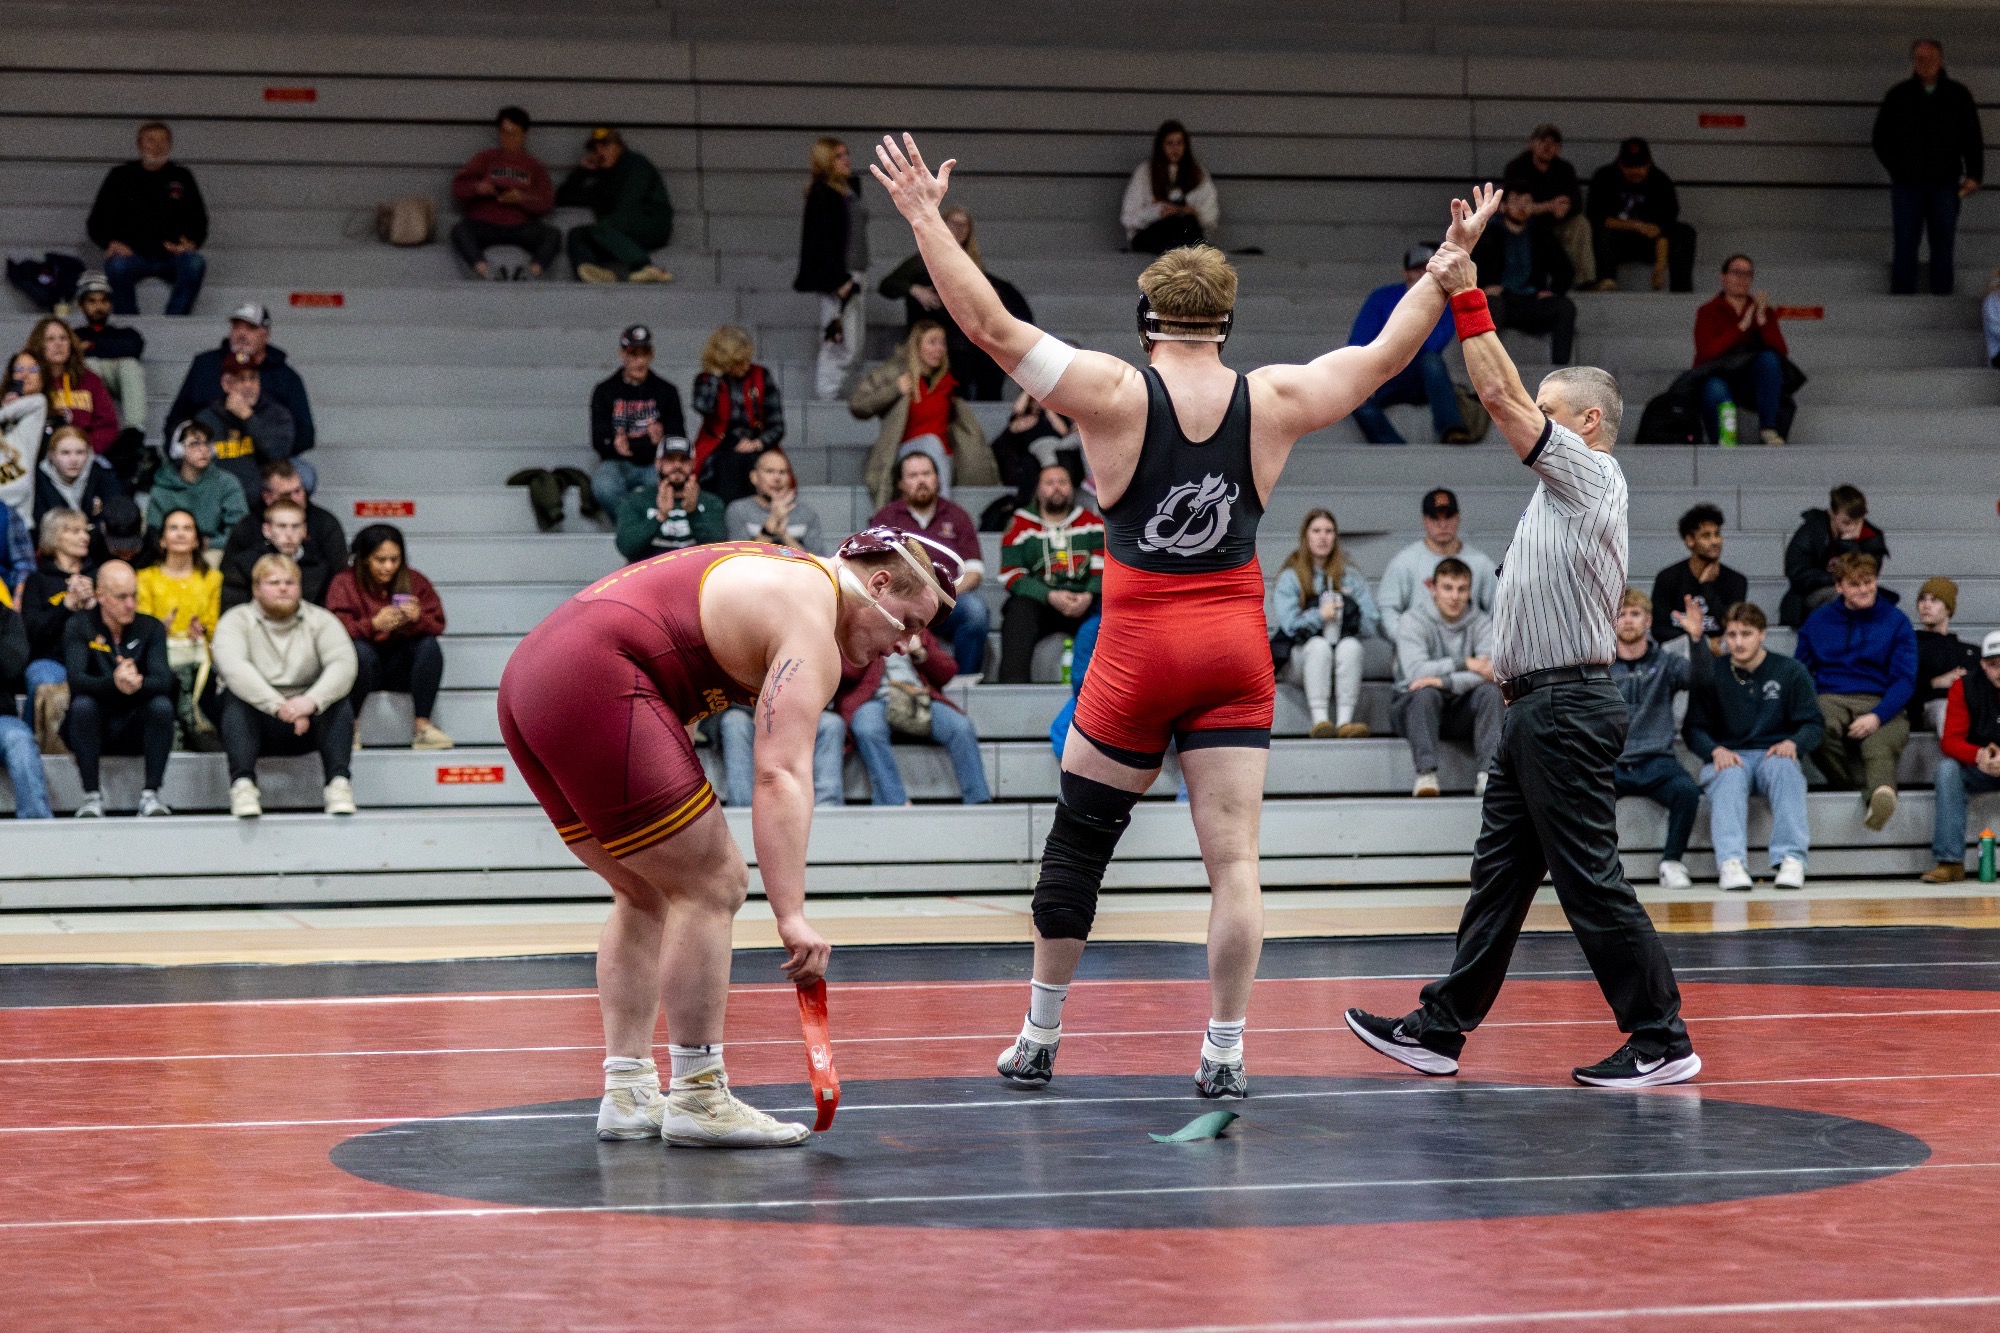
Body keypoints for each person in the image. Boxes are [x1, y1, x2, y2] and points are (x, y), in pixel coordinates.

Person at [870, 132, 1495, 1098]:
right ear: (1227, 321)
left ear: (1146, 317)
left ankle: (1040, 1034)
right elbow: (1376, 363)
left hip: (1137, 644)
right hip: (1233, 645)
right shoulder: (1274, 397)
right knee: (1233, 863)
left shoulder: (1114, 392)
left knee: (1081, 839)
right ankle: (1226, 1048)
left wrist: (921, 219)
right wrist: (1446, 273)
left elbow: (990, 328)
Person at [1345, 220, 1701, 1089]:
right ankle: (1439, 1028)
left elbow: (1501, 397)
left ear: (1587, 422)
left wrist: (1466, 288)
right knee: (1500, 877)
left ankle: (1661, 1036)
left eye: (1550, 413)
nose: (1528, 425)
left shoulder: (1591, 475)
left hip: (1567, 705)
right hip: (1534, 707)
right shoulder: (1557, 494)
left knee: (1588, 879)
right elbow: (1509, 400)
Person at [497, 529, 962, 1146]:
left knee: (648, 892)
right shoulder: (813, 619)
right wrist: (791, 915)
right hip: (592, 675)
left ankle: (629, 1089)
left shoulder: (789, 573)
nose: (905, 645)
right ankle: (698, 1093)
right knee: (714, 883)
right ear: (877, 583)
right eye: (908, 622)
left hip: (534, 675)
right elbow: (780, 773)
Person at [1685, 602, 1822, 892]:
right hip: (1729, 754)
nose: (1737, 642)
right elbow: (1693, 728)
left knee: (1785, 768)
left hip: (1773, 752)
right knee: (1730, 774)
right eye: (1731, 635)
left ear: (1762, 634)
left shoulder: (1790, 671)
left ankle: (1791, 859)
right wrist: (1714, 751)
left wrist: (1793, 742)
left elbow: (1813, 723)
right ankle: (1731, 863)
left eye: (1745, 634)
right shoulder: (1712, 671)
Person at [212, 553, 359, 819]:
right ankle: (243, 786)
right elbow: (234, 669)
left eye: (290, 582)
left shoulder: (322, 620)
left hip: (308, 720)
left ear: (300, 587)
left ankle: (338, 784)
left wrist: (310, 702)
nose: (283, 588)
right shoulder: (235, 620)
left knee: (338, 699)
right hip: (260, 718)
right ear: (256, 588)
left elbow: (344, 664)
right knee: (234, 697)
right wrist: (279, 706)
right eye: (274, 582)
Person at [1795, 552, 1918, 832]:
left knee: (1877, 744)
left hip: (1881, 699)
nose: (1864, 590)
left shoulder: (1896, 622)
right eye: (1855, 584)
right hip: (1831, 696)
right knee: (1815, 725)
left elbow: (1904, 680)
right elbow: (1800, 672)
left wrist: (1877, 716)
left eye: (1869, 581)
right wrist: (1811, 700)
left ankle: (1881, 794)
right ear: (1839, 587)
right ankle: (1870, 790)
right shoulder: (1818, 622)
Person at [878, 206, 1033, 400]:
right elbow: (887, 285)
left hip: (966, 334)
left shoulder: (971, 261)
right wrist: (914, 290)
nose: (958, 229)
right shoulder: (924, 258)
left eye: (964, 224)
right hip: (940, 331)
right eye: (953, 223)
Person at [62, 559, 174, 818]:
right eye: (121, 597)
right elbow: (76, 680)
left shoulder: (151, 627)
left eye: (134, 595)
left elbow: (164, 680)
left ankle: (151, 795)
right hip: (95, 724)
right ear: (100, 596)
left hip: (136, 724)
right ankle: (91, 797)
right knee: (82, 706)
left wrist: (137, 683)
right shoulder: (79, 625)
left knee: (161, 706)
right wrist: (114, 683)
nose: (130, 605)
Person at [1611, 589, 1707, 890]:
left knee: (1686, 791)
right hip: (1610, 761)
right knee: (1580, 796)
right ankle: (1600, 868)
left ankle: (1672, 862)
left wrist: (1697, 638)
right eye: (1622, 614)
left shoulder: (1666, 662)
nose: (1628, 621)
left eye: (1635, 614)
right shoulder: (1599, 665)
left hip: (1656, 760)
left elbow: (1701, 681)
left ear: (1648, 620)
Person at [326, 525, 452, 752]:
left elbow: (438, 623)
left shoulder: (415, 580)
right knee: (358, 651)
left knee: (429, 646)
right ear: (363, 558)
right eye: (380, 560)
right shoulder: (344, 582)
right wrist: (372, 624)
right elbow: (332, 631)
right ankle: (350, 727)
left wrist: (417, 619)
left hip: (400, 668)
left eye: (395, 559)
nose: (388, 567)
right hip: (362, 669)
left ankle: (423, 726)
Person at [1873, 39, 1984, 296]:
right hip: (1906, 186)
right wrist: (1898, 170)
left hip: (1945, 184)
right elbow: (1881, 138)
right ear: (1913, 61)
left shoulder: (1958, 95)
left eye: (1931, 58)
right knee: (1905, 242)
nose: (1925, 63)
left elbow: (1972, 137)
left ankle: (1942, 296)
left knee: (1943, 241)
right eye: (1920, 59)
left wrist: (1974, 174)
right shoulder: (1898, 95)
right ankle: (1901, 296)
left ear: (1941, 59)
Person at [838, 624, 991, 807]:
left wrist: (920, 651)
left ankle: (978, 800)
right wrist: (869, 644)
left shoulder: (912, 625)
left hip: (916, 697)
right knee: (867, 728)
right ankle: (894, 802)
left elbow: (947, 672)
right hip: (872, 700)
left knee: (961, 726)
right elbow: (845, 673)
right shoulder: (857, 628)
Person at [868, 451, 988, 679]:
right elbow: (874, 570)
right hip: (902, 602)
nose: (921, 480)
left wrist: (942, 592)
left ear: (938, 479)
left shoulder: (957, 515)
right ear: (901, 484)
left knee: (975, 611)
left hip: (946, 602)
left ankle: (964, 682)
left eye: (926, 473)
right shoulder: (886, 518)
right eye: (913, 475)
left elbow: (974, 572)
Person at [855, 320, 1000, 503]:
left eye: (942, 343)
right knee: (931, 443)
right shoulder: (897, 373)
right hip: (903, 452)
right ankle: (941, 514)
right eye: (932, 342)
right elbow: (858, 405)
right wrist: (895, 389)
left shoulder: (948, 382)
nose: (939, 349)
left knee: (936, 448)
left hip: (943, 456)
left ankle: (939, 512)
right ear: (916, 346)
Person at [1391, 556, 1500, 796]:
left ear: (1470, 590)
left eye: (1462, 589)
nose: (1454, 596)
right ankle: (1426, 775)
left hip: (1459, 709)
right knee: (1424, 692)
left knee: (1491, 692)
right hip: (1413, 707)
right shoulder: (1412, 621)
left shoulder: (1482, 623)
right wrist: (1466, 664)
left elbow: (1491, 672)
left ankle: (1488, 776)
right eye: (1447, 588)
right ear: (1432, 588)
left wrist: (1445, 681)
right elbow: (1416, 673)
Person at [1271, 507, 1379, 738]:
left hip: (1339, 655)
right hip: (1301, 658)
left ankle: (1344, 722)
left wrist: (1348, 618)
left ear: (1335, 537)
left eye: (1329, 531)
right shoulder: (1291, 577)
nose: (1323, 537)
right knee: (1318, 646)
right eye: (1316, 531)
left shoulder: (1350, 576)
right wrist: (1320, 615)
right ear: (1306, 536)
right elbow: (1289, 625)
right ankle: (1320, 720)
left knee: (1351, 646)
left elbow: (1371, 622)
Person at [164, 305, 316, 468]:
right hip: (211, 456)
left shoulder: (286, 378)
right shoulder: (205, 365)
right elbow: (176, 420)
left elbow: (304, 436)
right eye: (237, 327)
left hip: (268, 462)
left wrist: (255, 447)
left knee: (303, 474)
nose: (242, 333)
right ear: (225, 382)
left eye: (251, 328)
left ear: (266, 335)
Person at [1348, 245, 1468, 445]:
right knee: (1350, 393)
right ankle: (1392, 445)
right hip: (1385, 376)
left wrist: (1425, 304)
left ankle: (1452, 429)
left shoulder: (1446, 302)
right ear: (1406, 272)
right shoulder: (1382, 297)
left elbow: (1433, 345)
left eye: (1430, 270)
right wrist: (1365, 377)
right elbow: (1358, 343)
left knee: (1431, 360)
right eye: (1417, 269)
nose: (1423, 275)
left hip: (1420, 378)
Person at [86, 121, 208, 316]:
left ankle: (174, 321)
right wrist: (111, 244)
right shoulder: (120, 176)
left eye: (163, 141)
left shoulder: (182, 176)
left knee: (195, 262)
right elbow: (95, 223)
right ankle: (128, 321)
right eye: (151, 140)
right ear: (139, 144)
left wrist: (190, 244)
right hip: (132, 256)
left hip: (172, 256)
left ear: (170, 145)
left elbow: (200, 221)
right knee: (116, 265)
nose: (157, 146)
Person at [998, 463, 1105, 684]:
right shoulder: (1019, 524)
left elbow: (1104, 568)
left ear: (1072, 488)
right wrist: (1049, 596)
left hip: (1085, 601)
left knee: (1111, 609)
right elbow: (1011, 574)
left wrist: (1088, 595)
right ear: (1038, 489)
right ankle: (1013, 686)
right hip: (1042, 603)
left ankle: (1108, 689)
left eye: (1063, 482)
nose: (1057, 488)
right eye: (1049, 483)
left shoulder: (1092, 524)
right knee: (1018, 609)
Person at [135, 508, 223, 750]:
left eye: (187, 528)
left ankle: (197, 728)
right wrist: (157, 630)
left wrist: (202, 630)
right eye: (173, 528)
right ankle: (176, 730)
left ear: (196, 540)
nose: (181, 534)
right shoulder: (145, 578)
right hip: (160, 656)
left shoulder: (213, 579)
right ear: (162, 539)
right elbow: (139, 626)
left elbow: (215, 626)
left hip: (201, 656)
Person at [1694, 254, 1798, 445]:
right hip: (1717, 374)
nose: (1741, 278)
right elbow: (1708, 352)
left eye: (1747, 274)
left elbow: (1781, 352)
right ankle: (1725, 440)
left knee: (1769, 360)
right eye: (1736, 272)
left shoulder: (1764, 310)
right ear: (1723, 277)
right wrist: (1742, 326)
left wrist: (1761, 321)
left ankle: (1768, 429)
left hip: (1750, 379)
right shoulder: (1707, 311)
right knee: (1715, 390)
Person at [1922, 630, 2000, 883]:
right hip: (1980, 766)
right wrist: (1979, 755)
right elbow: (1951, 740)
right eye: (1993, 665)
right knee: (1947, 770)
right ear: (1982, 664)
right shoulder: (1964, 687)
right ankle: (1949, 861)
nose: (1999, 671)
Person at [794, 137, 868, 400]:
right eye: (838, 156)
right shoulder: (822, 194)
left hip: (856, 272)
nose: (846, 159)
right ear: (826, 162)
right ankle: (827, 394)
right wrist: (838, 278)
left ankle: (836, 392)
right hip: (839, 276)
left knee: (853, 342)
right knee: (838, 340)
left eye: (847, 154)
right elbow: (820, 241)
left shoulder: (848, 192)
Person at [449, 106, 560, 279]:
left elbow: (547, 201)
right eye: (503, 132)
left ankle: (531, 274)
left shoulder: (533, 165)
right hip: (484, 223)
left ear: (524, 135)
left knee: (552, 234)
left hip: (520, 227)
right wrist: (478, 188)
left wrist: (521, 198)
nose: (506, 138)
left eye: (513, 133)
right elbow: (458, 188)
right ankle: (486, 271)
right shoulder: (485, 158)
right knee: (460, 230)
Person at [588, 324, 687, 518]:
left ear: (651, 355)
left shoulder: (666, 391)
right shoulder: (605, 390)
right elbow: (599, 439)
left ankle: (636, 523)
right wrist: (620, 445)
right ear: (622, 354)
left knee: (666, 484)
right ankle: (635, 523)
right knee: (603, 484)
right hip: (616, 462)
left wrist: (657, 442)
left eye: (644, 354)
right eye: (633, 354)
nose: (639, 361)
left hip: (654, 462)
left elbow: (677, 437)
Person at [1472, 182, 1577, 364]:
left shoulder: (1540, 233)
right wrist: (1482, 288)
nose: (1522, 206)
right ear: (1503, 206)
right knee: (1490, 305)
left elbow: (1565, 269)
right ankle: (1485, 372)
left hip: (1531, 299)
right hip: (1502, 298)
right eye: (1516, 201)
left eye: (1527, 202)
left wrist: (1554, 291)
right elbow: (1471, 265)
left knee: (1565, 307)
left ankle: (1560, 373)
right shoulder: (1489, 234)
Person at [1375, 487, 1499, 638]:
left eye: (1448, 517)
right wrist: (1408, 642)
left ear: (1458, 519)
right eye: (1435, 518)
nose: (1442, 525)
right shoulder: (1404, 562)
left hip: (1470, 652)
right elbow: (1387, 611)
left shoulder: (1481, 563)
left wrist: (1485, 647)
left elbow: (1498, 610)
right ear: (1425, 521)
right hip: (1418, 651)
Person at [555, 127, 673, 284]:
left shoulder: (636, 164)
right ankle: (594, 272)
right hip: (618, 233)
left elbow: (629, 203)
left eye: (605, 146)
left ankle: (643, 266)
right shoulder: (602, 182)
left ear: (620, 146)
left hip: (651, 224)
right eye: (596, 148)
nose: (600, 152)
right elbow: (562, 198)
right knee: (577, 234)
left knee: (603, 226)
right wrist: (581, 171)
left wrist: (605, 229)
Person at [1586, 137, 1696, 293]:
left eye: (1640, 166)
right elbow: (1595, 217)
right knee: (1601, 233)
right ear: (1620, 164)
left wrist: (1660, 266)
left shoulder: (1660, 181)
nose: (1635, 171)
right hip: (1617, 242)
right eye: (1629, 166)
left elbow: (1667, 226)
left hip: (1650, 243)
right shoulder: (1604, 177)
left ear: (1649, 163)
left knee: (1685, 233)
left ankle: (1681, 289)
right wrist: (1637, 226)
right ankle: (1606, 281)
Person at [691, 326, 785, 504]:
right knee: (725, 468)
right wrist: (715, 375)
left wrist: (757, 443)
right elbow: (703, 407)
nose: (746, 365)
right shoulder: (706, 380)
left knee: (761, 469)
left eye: (747, 359)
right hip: (720, 448)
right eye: (738, 361)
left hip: (757, 445)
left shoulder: (761, 376)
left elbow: (777, 425)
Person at [223, 460, 346, 591]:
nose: (296, 499)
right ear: (268, 497)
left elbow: (338, 575)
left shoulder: (325, 522)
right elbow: (232, 577)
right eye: (286, 495)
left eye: (298, 491)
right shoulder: (247, 527)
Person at [25, 316, 128, 469]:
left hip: (84, 456)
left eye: (63, 338)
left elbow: (108, 425)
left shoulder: (90, 379)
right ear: (39, 345)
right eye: (50, 339)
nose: (58, 343)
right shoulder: (29, 380)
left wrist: (82, 450)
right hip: (40, 457)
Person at [21, 509, 97, 718]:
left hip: (95, 658)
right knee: (43, 681)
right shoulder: (37, 581)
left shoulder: (99, 576)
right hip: (51, 660)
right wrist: (67, 605)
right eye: (75, 531)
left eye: (85, 531)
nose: (85, 537)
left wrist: (93, 605)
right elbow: (31, 633)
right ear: (54, 536)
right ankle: (36, 744)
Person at [1502, 123, 1596, 290]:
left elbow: (1575, 202)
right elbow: (1515, 206)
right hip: (1528, 225)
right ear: (1532, 144)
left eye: (1553, 144)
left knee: (1580, 224)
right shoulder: (1517, 167)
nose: (1547, 147)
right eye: (1542, 141)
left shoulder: (1565, 169)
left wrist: (1564, 208)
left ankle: (1584, 281)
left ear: (1559, 148)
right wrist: (1550, 207)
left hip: (1557, 223)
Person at [1782, 484, 1890, 627]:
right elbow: (1797, 573)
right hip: (1812, 592)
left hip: (1855, 589)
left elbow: (1868, 574)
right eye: (1845, 522)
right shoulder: (1811, 532)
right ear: (1832, 513)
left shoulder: (1871, 537)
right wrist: (1838, 580)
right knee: (1843, 597)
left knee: (1874, 600)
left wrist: (1849, 545)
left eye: (1857, 522)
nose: (1851, 527)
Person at [194, 355, 295, 500]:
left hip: (264, 499)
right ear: (226, 384)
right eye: (241, 379)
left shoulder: (277, 415)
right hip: (218, 497)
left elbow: (277, 454)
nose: (249, 385)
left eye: (253, 378)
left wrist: (247, 417)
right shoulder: (207, 419)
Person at [1651, 502, 1746, 650]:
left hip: (1721, 656)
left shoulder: (1736, 581)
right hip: (1679, 655)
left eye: (1717, 534)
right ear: (1690, 540)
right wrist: (1702, 643)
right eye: (1706, 536)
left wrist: (1707, 586)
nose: (1715, 541)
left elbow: (1731, 624)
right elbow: (1659, 629)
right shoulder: (1668, 578)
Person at [717, 701, 846, 810]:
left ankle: (827, 808)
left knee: (831, 723)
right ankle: (744, 810)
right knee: (734, 722)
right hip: (746, 710)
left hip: (798, 709)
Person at [615, 438, 725, 565]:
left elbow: (718, 551)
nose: (677, 465)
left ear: (693, 464)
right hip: (650, 576)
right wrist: (660, 516)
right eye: (670, 459)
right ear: (658, 463)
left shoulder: (710, 501)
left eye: (683, 460)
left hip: (694, 574)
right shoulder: (638, 499)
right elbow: (626, 548)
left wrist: (693, 512)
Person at [1122, 120, 1219, 254]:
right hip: (1154, 233)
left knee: (1187, 225)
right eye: (1169, 143)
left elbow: (1211, 216)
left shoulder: (1198, 173)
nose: (1175, 149)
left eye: (1179, 143)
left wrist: (1193, 213)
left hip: (1185, 231)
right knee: (1172, 224)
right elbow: (1129, 217)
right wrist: (1159, 212)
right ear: (1161, 146)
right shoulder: (1145, 172)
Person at [145, 421, 245, 551]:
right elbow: (154, 533)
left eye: (207, 443)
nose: (203, 449)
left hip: (213, 549)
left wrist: (210, 543)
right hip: (172, 550)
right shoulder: (162, 488)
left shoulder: (227, 483)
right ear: (178, 449)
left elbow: (240, 530)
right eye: (194, 444)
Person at [221, 499, 330, 610]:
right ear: (267, 530)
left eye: (295, 526)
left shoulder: (319, 566)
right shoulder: (245, 564)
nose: (289, 534)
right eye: (281, 526)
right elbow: (234, 609)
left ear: (304, 530)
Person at [70, 271, 147, 428]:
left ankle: (134, 431)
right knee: (90, 364)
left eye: (103, 301)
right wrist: (113, 349)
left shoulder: (126, 333)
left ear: (110, 304)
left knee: (130, 365)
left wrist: (91, 346)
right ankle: (97, 425)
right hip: (88, 380)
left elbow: (133, 348)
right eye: (92, 301)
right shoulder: (73, 335)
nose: (98, 306)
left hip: (118, 379)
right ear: (81, 305)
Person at [0, 598, 52, 818]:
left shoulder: (7, 618)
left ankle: (39, 835)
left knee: (19, 740)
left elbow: (12, 666)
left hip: (1, 718)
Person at [723, 448, 825, 554]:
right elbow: (741, 560)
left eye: (782, 472)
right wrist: (769, 527)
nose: (777, 478)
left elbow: (816, 563)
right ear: (754, 477)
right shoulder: (738, 510)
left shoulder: (807, 513)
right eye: (769, 471)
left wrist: (784, 535)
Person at [1910, 576, 1979, 732]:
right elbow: (1899, 687)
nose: (1926, 605)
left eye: (1934, 600)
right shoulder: (1910, 645)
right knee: (1946, 708)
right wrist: (1934, 683)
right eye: (1922, 599)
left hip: (1965, 709)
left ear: (1948, 608)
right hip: (1925, 709)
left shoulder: (1967, 651)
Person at [32, 426, 125, 537]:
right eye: (65, 453)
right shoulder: (38, 482)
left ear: (88, 454)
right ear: (52, 455)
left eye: (80, 452)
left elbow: (116, 517)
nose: (73, 460)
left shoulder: (103, 477)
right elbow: (41, 524)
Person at [993, 391, 1082, 499]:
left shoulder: (1053, 414)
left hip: (1059, 444)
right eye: (1034, 399)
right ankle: (1052, 483)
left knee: (1081, 437)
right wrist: (1029, 390)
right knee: (1047, 452)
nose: (1037, 401)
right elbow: (1017, 410)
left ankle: (1091, 480)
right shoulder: (1024, 416)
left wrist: (1047, 408)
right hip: (1039, 445)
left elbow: (1064, 431)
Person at [1, 352, 44, 530]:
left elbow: (35, 403)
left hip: (19, 520)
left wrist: (7, 409)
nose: (25, 374)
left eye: (33, 369)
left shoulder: (38, 404)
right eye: (19, 368)